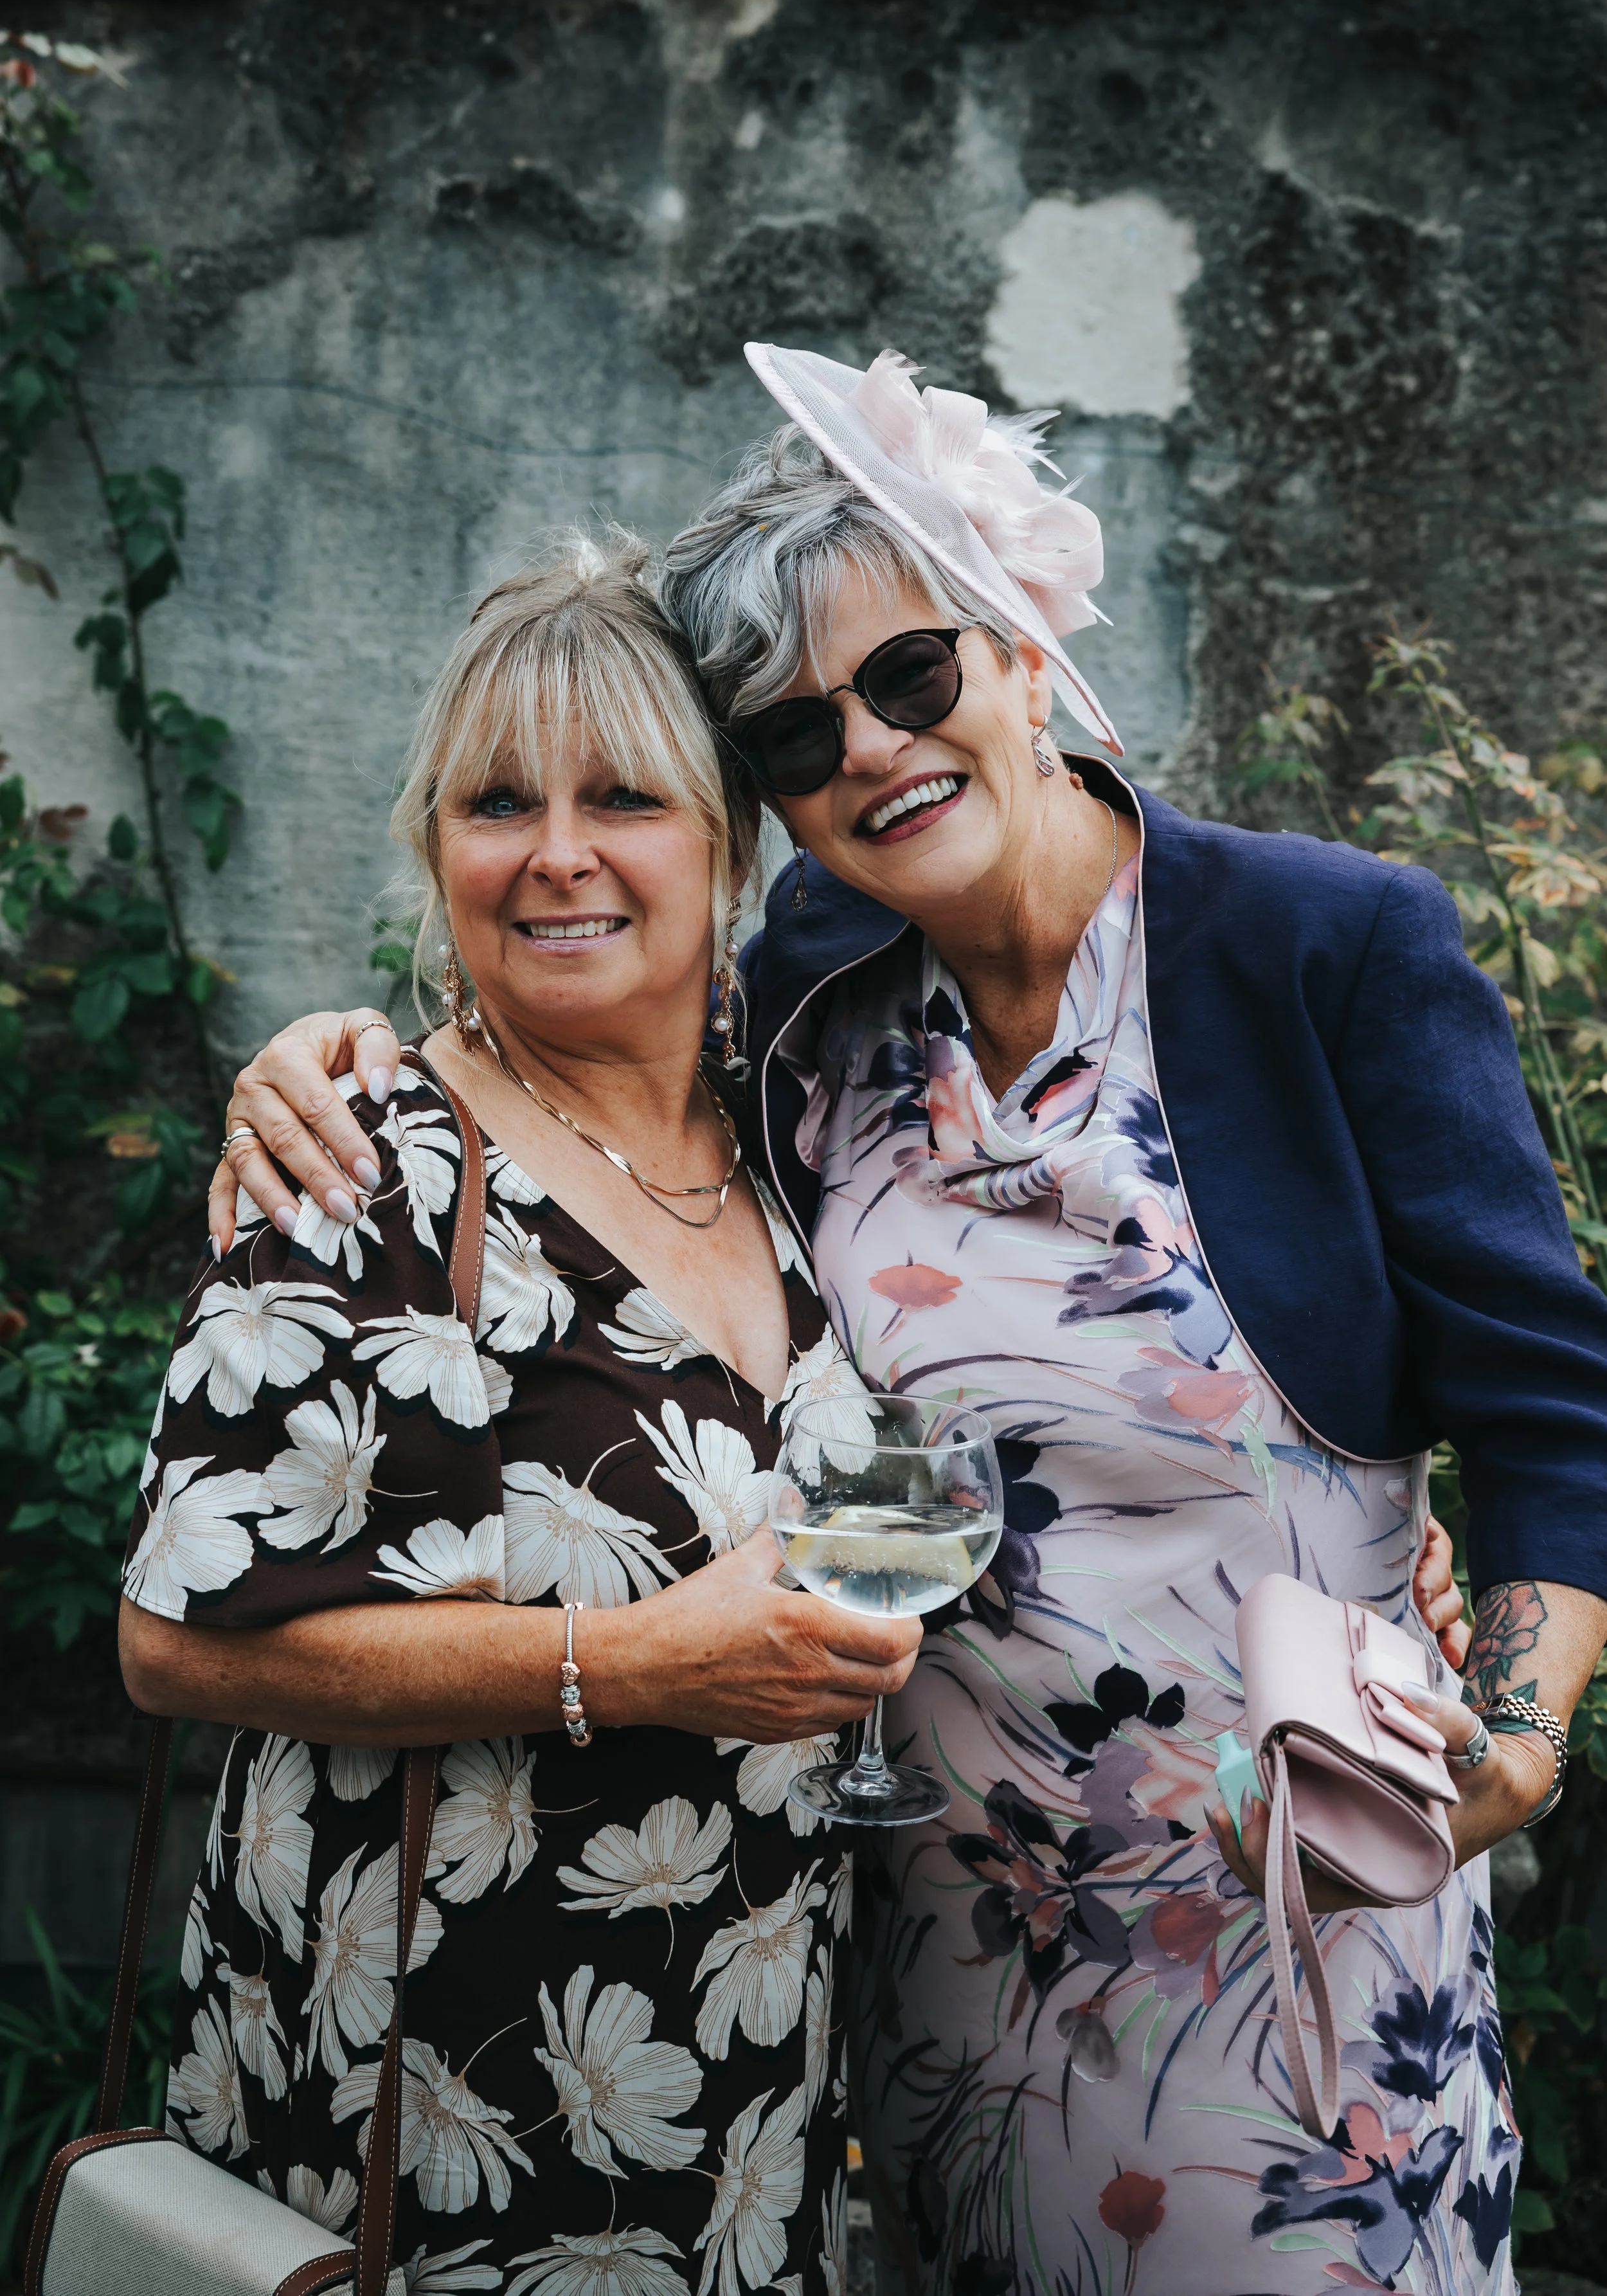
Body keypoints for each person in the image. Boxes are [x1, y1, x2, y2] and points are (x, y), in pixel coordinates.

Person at [199, 345, 1595, 2296]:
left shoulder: (1322, 943)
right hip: (932, 1948)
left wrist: (1514, 1744)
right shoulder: (812, 1000)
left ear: (1023, 639)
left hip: (1289, 1935)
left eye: (907, 675)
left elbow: (1551, 1404)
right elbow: (570, 1046)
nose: (863, 745)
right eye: (786, 735)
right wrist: (333, 1052)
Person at [120, 534, 923, 2295]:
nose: (557, 852)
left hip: (741, 2107)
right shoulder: (361, 1167)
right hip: (431, 2115)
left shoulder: (804, 1144)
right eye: (498, 801)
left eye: (623, 794)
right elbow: (175, 1643)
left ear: (724, 846)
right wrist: (628, 1663)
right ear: (437, 850)